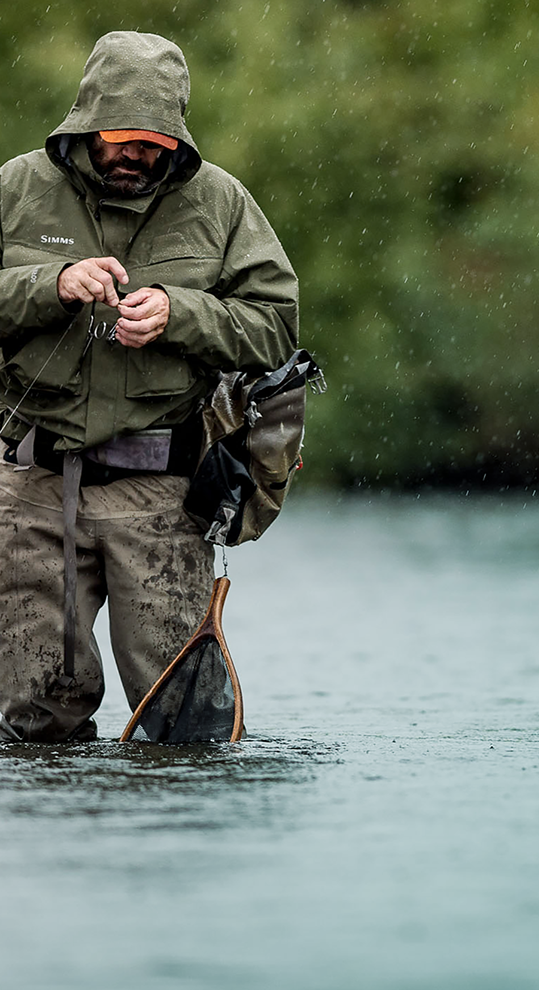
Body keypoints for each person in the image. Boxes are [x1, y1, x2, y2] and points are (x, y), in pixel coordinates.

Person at [0, 31, 297, 742]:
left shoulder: (222, 203)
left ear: (177, 138)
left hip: (163, 498)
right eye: (122, 138)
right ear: (86, 123)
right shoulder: (15, 188)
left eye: (154, 142)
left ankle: (173, 847)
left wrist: (181, 312)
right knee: (32, 724)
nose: (136, 153)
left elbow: (276, 329)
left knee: (185, 727)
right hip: (30, 492)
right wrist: (51, 285)